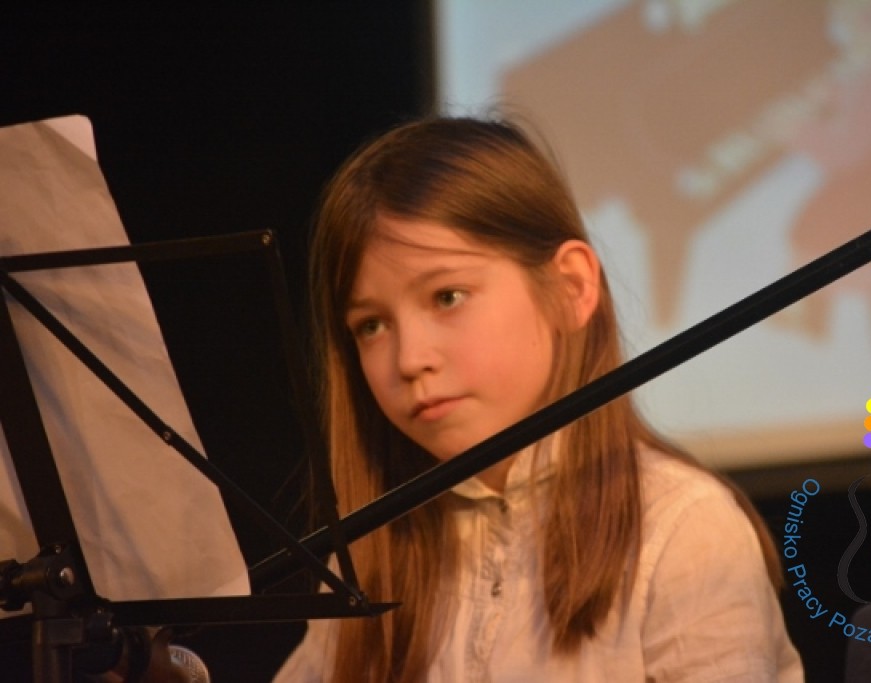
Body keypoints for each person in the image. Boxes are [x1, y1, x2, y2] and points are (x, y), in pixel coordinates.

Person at [275, 116, 804, 682]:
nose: (409, 359)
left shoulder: (684, 529)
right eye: (372, 325)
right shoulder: (368, 557)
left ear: (571, 287)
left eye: (447, 296)